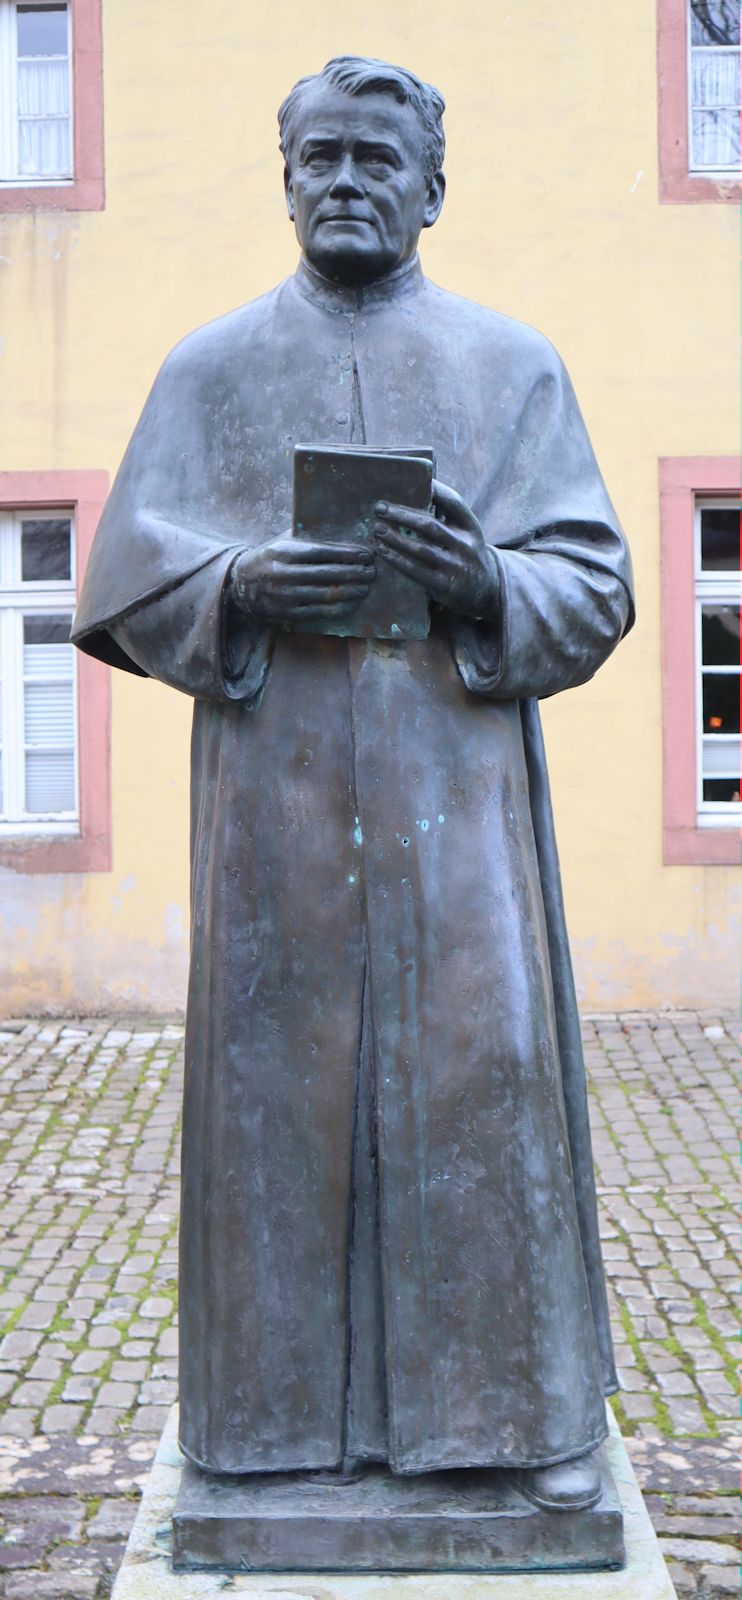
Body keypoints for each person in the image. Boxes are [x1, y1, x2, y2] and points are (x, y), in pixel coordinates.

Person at [73, 56, 634, 1513]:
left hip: (465, 826)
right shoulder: (207, 370)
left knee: (477, 1092)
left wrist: (484, 580)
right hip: (277, 817)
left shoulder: (514, 367)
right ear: (285, 177)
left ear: (431, 186)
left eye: (376, 159)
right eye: (319, 156)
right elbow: (126, 580)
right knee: (275, 1108)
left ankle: (505, 1432)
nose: (344, 180)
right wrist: (242, 581)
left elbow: (593, 585)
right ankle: (265, 1445)